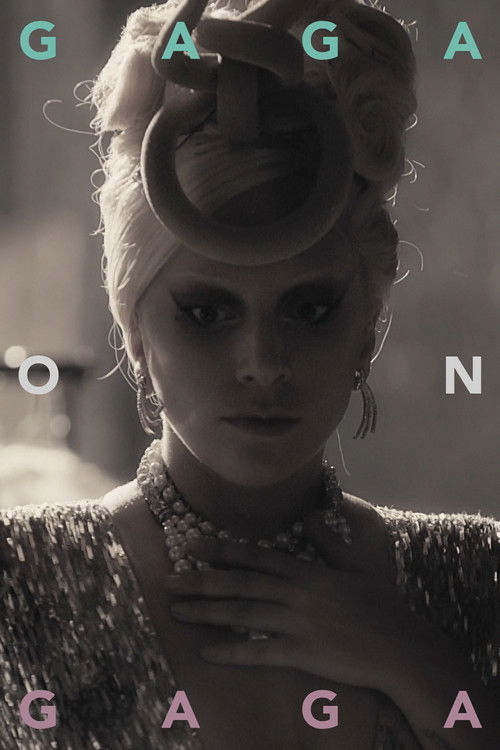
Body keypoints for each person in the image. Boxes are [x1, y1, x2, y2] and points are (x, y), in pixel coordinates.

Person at [1, 1, 498, 749]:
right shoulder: (24, 584)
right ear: (134, 328)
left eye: (309, 309)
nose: (262, 364)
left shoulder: (474, 576)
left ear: (368, 324)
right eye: (206, 313)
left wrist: (417, 664)